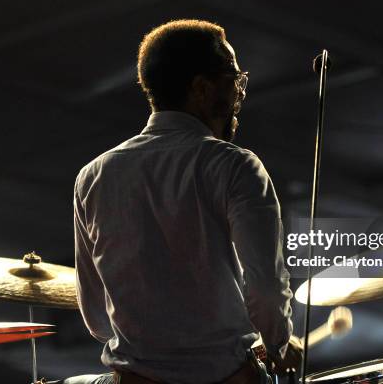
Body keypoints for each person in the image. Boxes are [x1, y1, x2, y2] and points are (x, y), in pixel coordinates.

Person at [71, 19, 302, 384]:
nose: (240, 92)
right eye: (233, 76)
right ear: (201, 89)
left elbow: (98, 319)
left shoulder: (92, 176)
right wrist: (278, 342)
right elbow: (267, 291)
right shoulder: (234, 164)